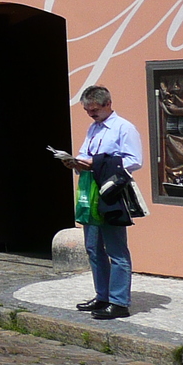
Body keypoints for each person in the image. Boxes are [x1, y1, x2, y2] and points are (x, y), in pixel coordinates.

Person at [65, 85, 143, 320]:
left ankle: (119, 302)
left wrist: (96, 163)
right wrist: (75, 162)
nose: (91, 114)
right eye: (88, 110)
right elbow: (83, 153)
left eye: (95, 110)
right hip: (91, 189)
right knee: (93, 247)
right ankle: (103, 295)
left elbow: (134, 160)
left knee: (115, 248)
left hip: (111, 192)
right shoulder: (93, 128)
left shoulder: (124, 128)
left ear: (108, 104)